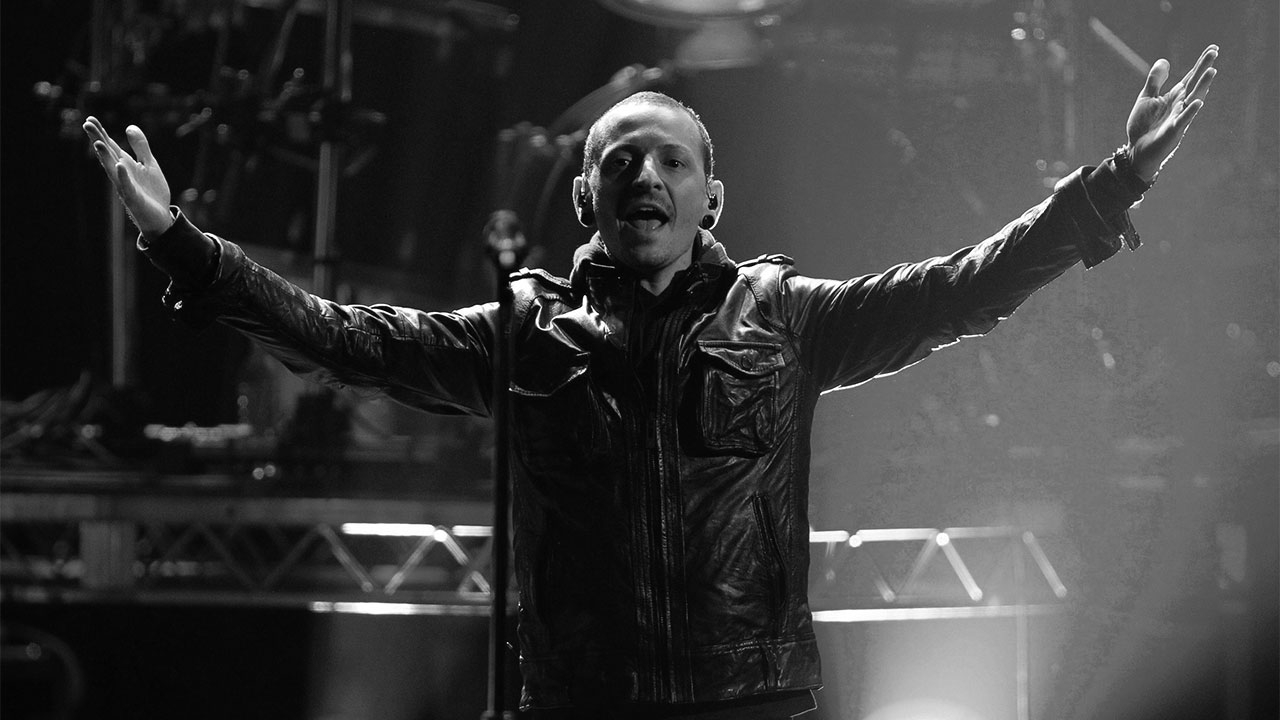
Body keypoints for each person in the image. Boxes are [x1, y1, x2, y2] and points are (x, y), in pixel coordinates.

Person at [84, 44, 1218, 720]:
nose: (645, 174)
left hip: (753, 705)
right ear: (585, 198)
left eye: (671, 159)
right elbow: (345, 338)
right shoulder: (522, 335)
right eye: (619, 159)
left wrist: (1110, 184)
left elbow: (958, 288)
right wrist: (181, 243)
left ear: (709, 198)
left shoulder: (784, 320)